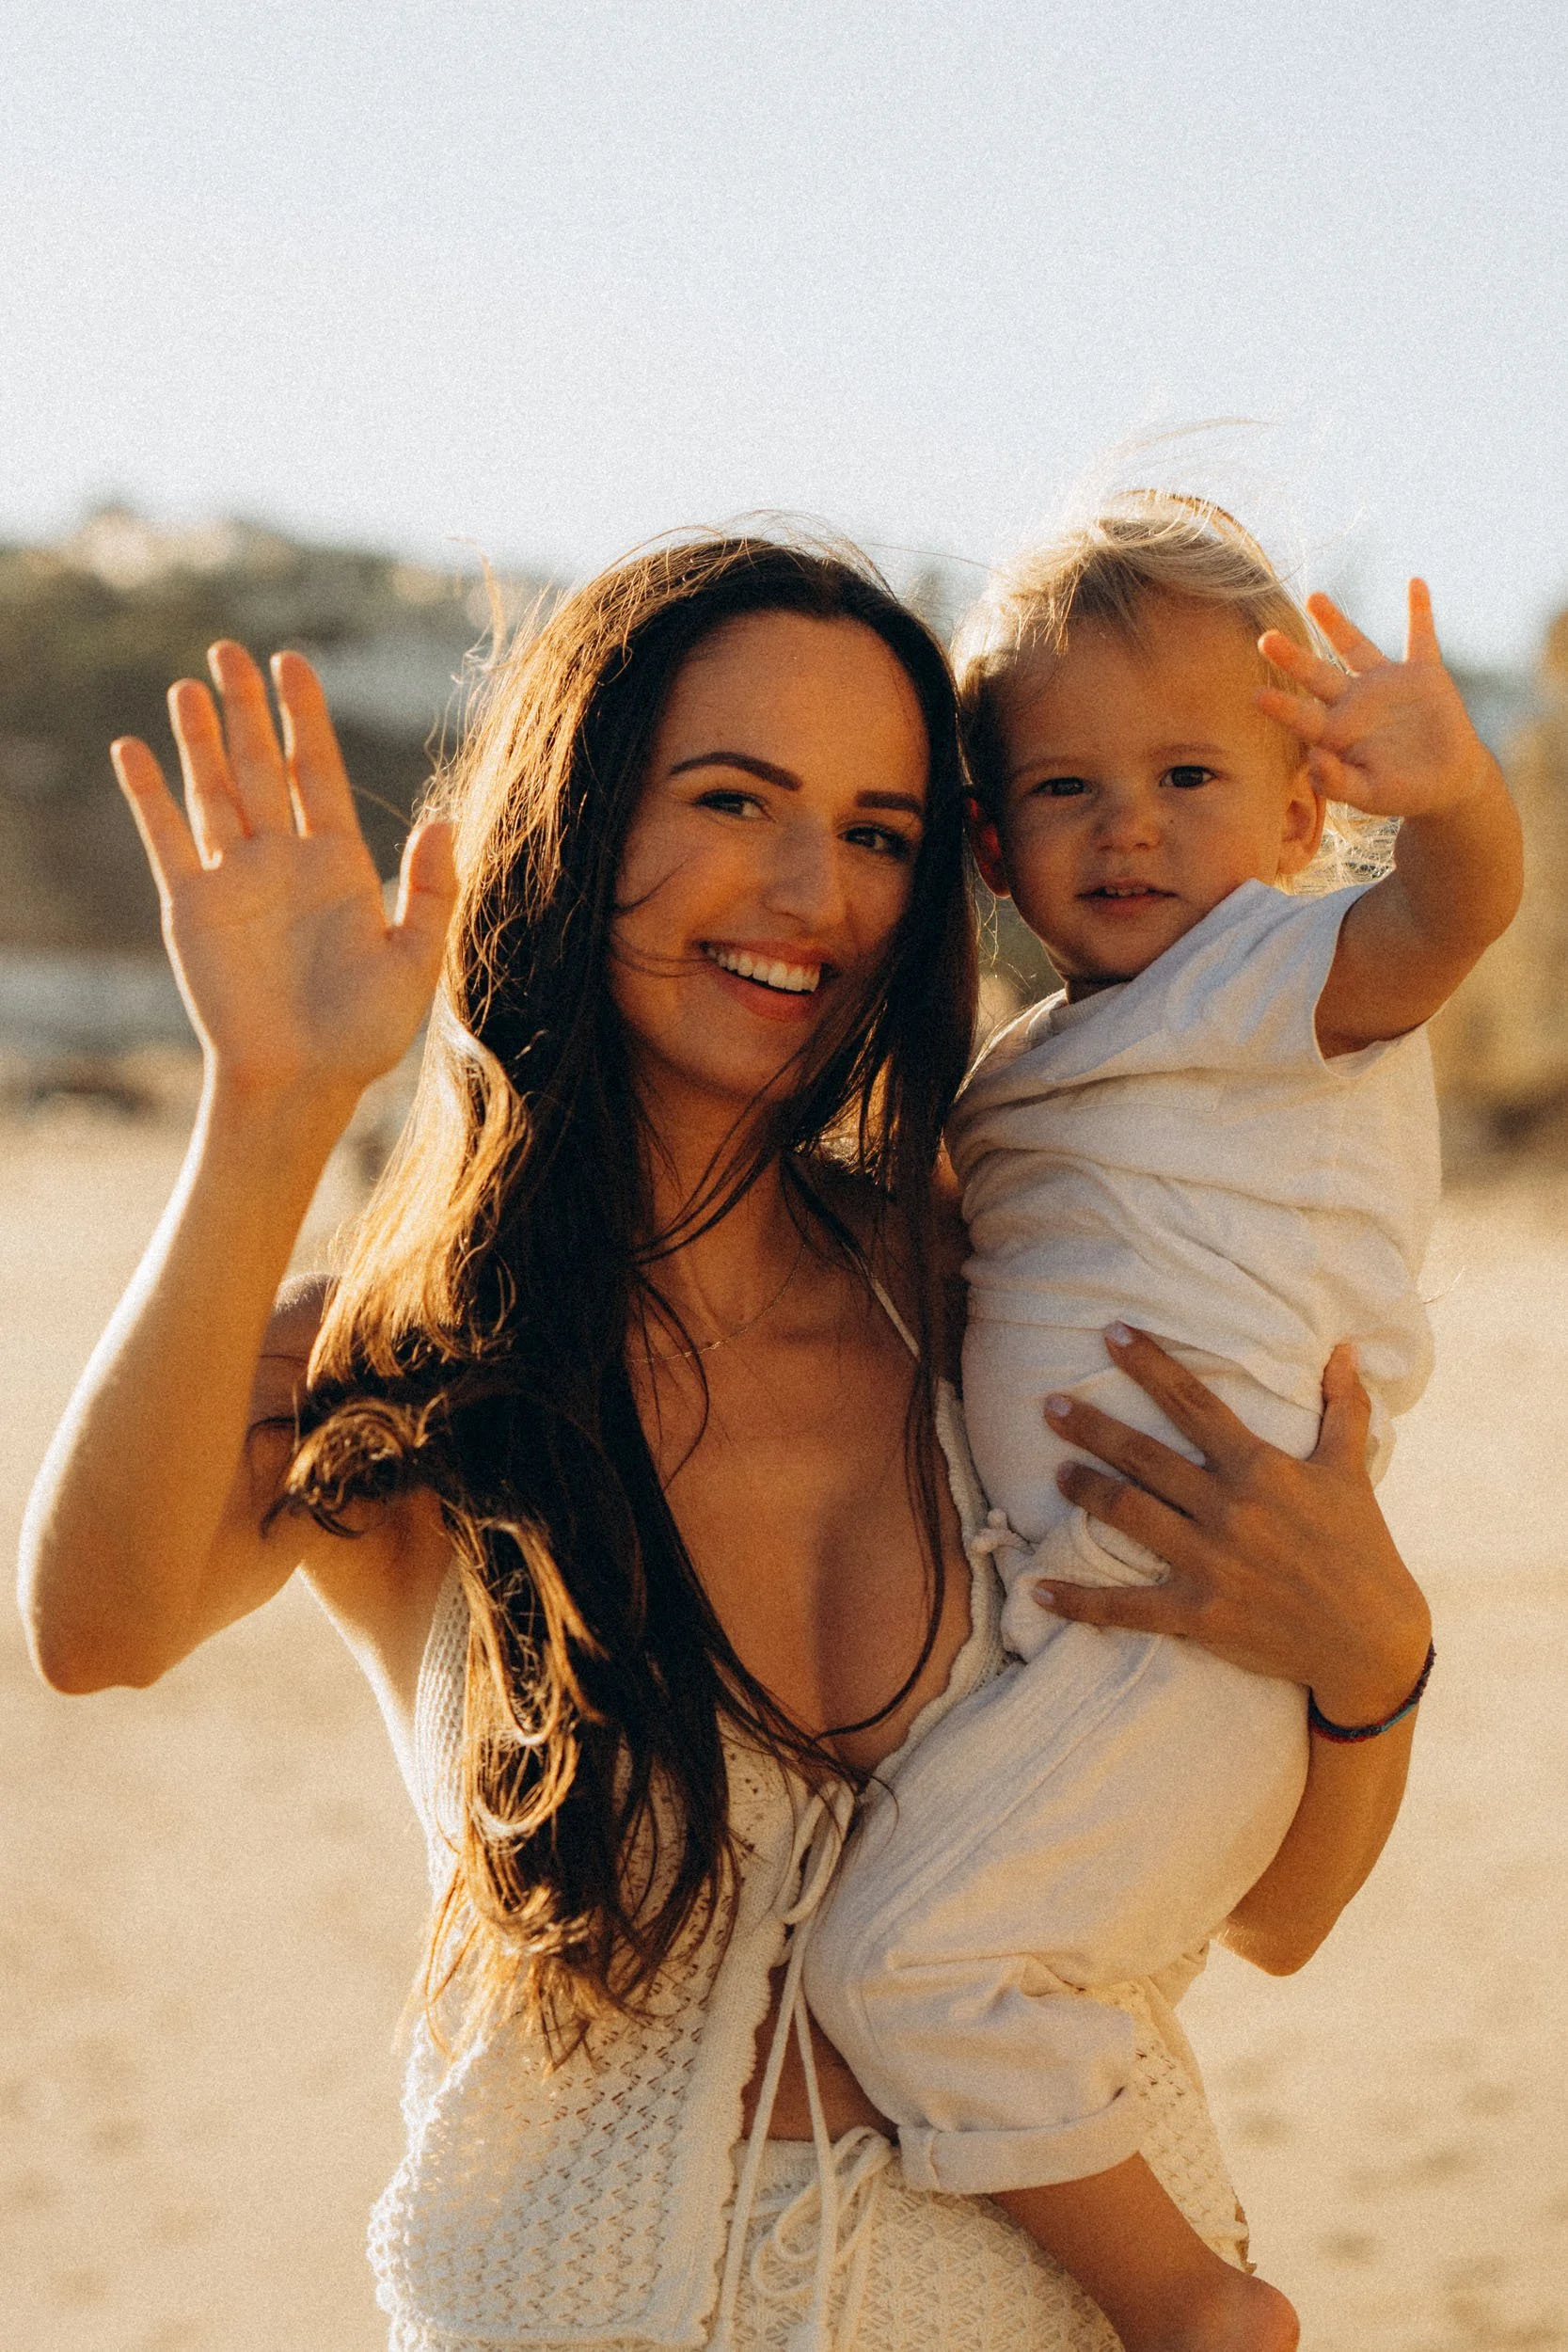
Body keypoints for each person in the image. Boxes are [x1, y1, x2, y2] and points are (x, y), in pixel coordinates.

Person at [19, 530, 1434, 2352]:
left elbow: (1277, 1910)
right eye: (730, 797)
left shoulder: (993, 1287)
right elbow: (99, 1627)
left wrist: (1371, 1661)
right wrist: (272, 1105)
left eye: (874, 832)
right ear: (579, 820)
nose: (806, 892)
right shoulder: (432, 1362)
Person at [802, 498, 1522, 2351]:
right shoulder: (1027, 1057)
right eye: (1062, 788)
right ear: (988, 843)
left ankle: (1189, 2302)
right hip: (1084, 1614)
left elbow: (1451, 912)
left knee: (908, 1963)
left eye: (1187, 772)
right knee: (972, 1948)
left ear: (1299, 814)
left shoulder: (1271, 978)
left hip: (1189, 1616)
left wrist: (1448, 795)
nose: (1124, 823)